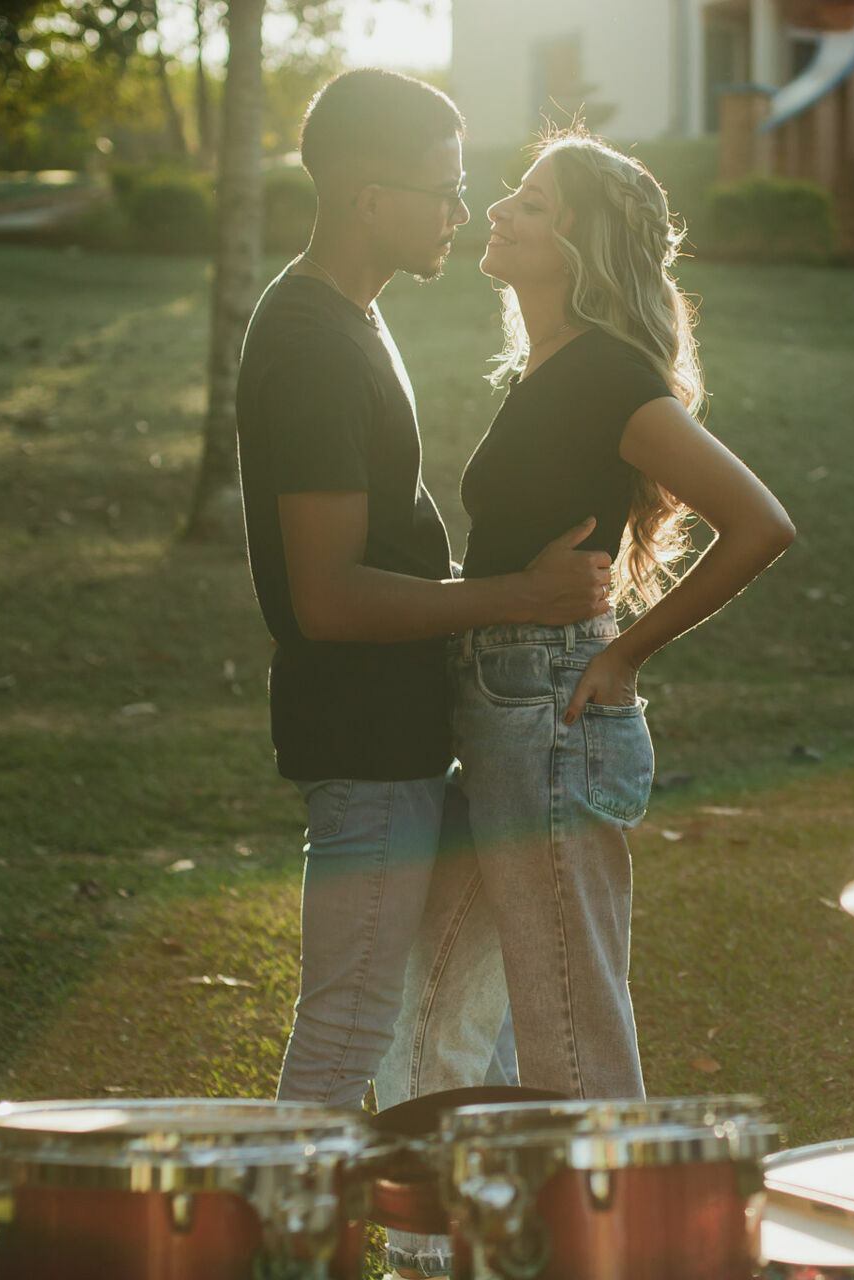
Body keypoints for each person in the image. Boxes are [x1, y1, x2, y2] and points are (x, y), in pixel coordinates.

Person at [377, 128, 795, 1219]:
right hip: (501, 705)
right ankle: (442, 1237)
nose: (501, 212)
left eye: (531, 201)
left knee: (568, 1027)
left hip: (552, 713)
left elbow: (761, 522)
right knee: (438, 992)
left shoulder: (609, 372)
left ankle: (628, 1242)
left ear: (580, 243)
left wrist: (622, 655)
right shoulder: (547, 368)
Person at [234, 70, 613, 1114]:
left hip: (402, 739)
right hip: (362, 748)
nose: (461, 211)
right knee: (349, 1024)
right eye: (442, 189)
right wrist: (515, 595)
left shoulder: (349, 316)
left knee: (448, 1020)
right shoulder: (312, 344)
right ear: (369, 197)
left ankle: (441, 1248)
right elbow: (330, 597)